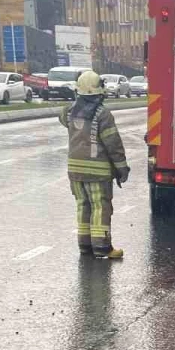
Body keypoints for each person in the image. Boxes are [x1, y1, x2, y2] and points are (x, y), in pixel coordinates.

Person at [60, 70, 130, 259]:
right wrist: (122, 167)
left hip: (74, 170)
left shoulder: (68, 111)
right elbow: (112, 143)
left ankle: (85, 246)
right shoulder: (103, 114)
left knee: (83, 205)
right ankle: (102, 247)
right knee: (100, 206)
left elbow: (64, 120)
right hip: (97, 171)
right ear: (100, 92)